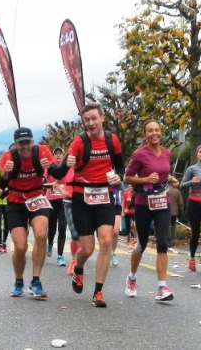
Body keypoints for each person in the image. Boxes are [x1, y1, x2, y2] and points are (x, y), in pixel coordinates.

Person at [0, 127, 74, 299]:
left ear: (32, 142)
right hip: (16, 201)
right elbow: (2, 185)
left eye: (27, 142)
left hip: (36, 198)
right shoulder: (8, 156)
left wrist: (53, 166)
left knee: (41, 235)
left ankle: (36, 281)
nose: (25, 146)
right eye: (21, 143)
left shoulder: (42, 152)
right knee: (20, 246)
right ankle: (19, 281)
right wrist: (4, 173)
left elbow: (57, 173)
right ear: (16, 144)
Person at [67, 103, 124, 308]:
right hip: (82, 199)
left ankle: (98, 292)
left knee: (106, 241)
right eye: (87, 120)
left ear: (102, 118)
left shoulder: (112, 140)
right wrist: (66, 163)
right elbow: (64, 167)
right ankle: (78, 267)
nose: (91, 123)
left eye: (94, 118)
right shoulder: (79, 141)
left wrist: (119, 177)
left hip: (104, 196)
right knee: (88, 249)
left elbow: (120, 167)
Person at [124, 120, 175, 301]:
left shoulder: (167, 153)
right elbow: (127, 178)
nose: (154, 133)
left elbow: (164, 173)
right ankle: (131, 278)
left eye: (157, 130)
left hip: (162, 202)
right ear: (145, 135)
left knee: (162, 243)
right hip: (143, 203)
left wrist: (171, 179)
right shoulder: (139, 155)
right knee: (142, 244)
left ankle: (162, 288)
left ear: (161, 133)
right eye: (150, 131)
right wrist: (145, 179)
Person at [45, 147, 69, 267]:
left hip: (64, 201)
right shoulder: (49, 168)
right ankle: (50, 243)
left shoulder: (67, 168)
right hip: (51, 201)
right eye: (56, 154)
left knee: (62, 226)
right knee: (52, 226)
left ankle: (60, 256)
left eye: (60, 153)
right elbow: (43, 183)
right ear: (53, 156)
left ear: (63, 156)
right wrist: (53, 185)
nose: (58, 155)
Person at [168, 180, 183, 248]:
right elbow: (180, 203)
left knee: (167, 225)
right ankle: (173, 240)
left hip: (166, 210)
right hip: (174, 212)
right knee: (173, 225)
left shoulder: (165, 190)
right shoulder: (177, 191)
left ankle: (168, 240)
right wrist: (181, 212)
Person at [110, 185, 123, 266]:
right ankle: (105, 251)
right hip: (103, 203)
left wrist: (118, 181)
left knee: (115, 231)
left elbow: (120, 187)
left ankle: (112, 252)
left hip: (116, 204)